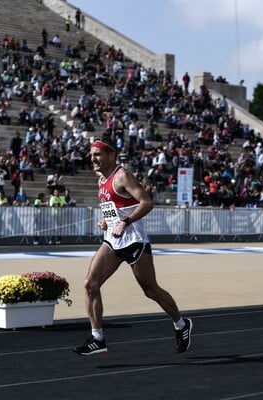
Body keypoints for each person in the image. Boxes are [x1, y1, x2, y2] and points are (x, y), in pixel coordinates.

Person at [73, 136, 192, 356]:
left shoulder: (122, 176)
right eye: (91, 155)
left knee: (150, 290)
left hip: (134, 240)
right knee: (90, 283)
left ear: (111, 155)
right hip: (113, 239)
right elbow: (111, 208)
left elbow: (147, 202)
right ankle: (98, 338)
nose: (93, 158)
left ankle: (181, 324)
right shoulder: (100, 178)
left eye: (98, 154)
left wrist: (125, 222)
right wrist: (106, 220)